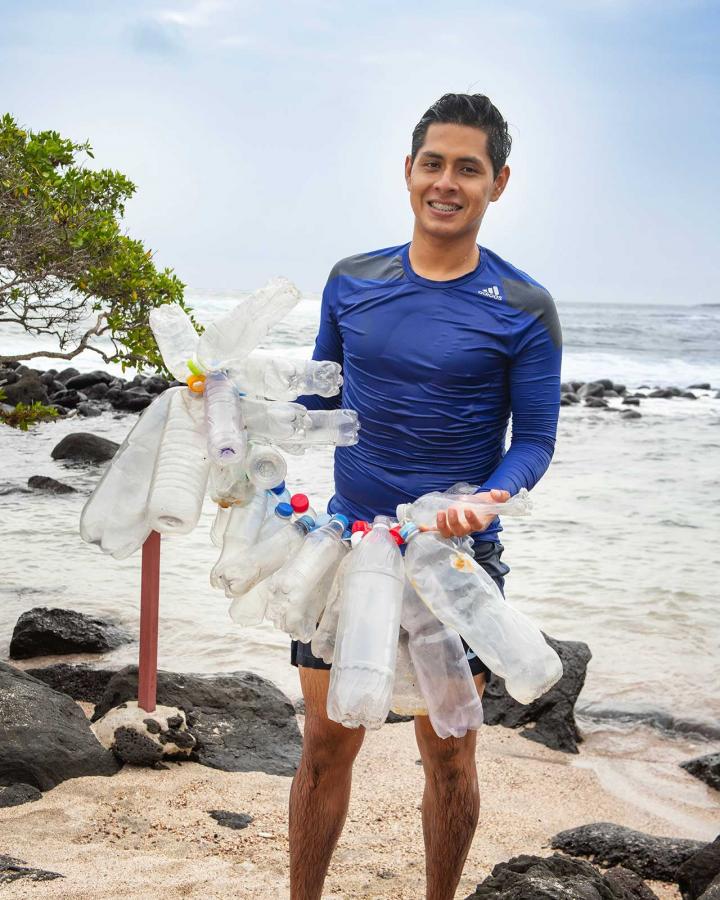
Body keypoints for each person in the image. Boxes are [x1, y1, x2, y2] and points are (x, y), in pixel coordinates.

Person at [289, 92, 562, 900]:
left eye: (467, 168)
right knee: (324, 747)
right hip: (347, 549)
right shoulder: (352, 281)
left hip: (456, 558)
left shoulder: (523, 307)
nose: (447, 182)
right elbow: (318, 403)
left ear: (498, 183)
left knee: (449, 752)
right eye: (433, 163)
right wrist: (231, 405)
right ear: (408, 172)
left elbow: (536, 441)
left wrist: (490, 497)